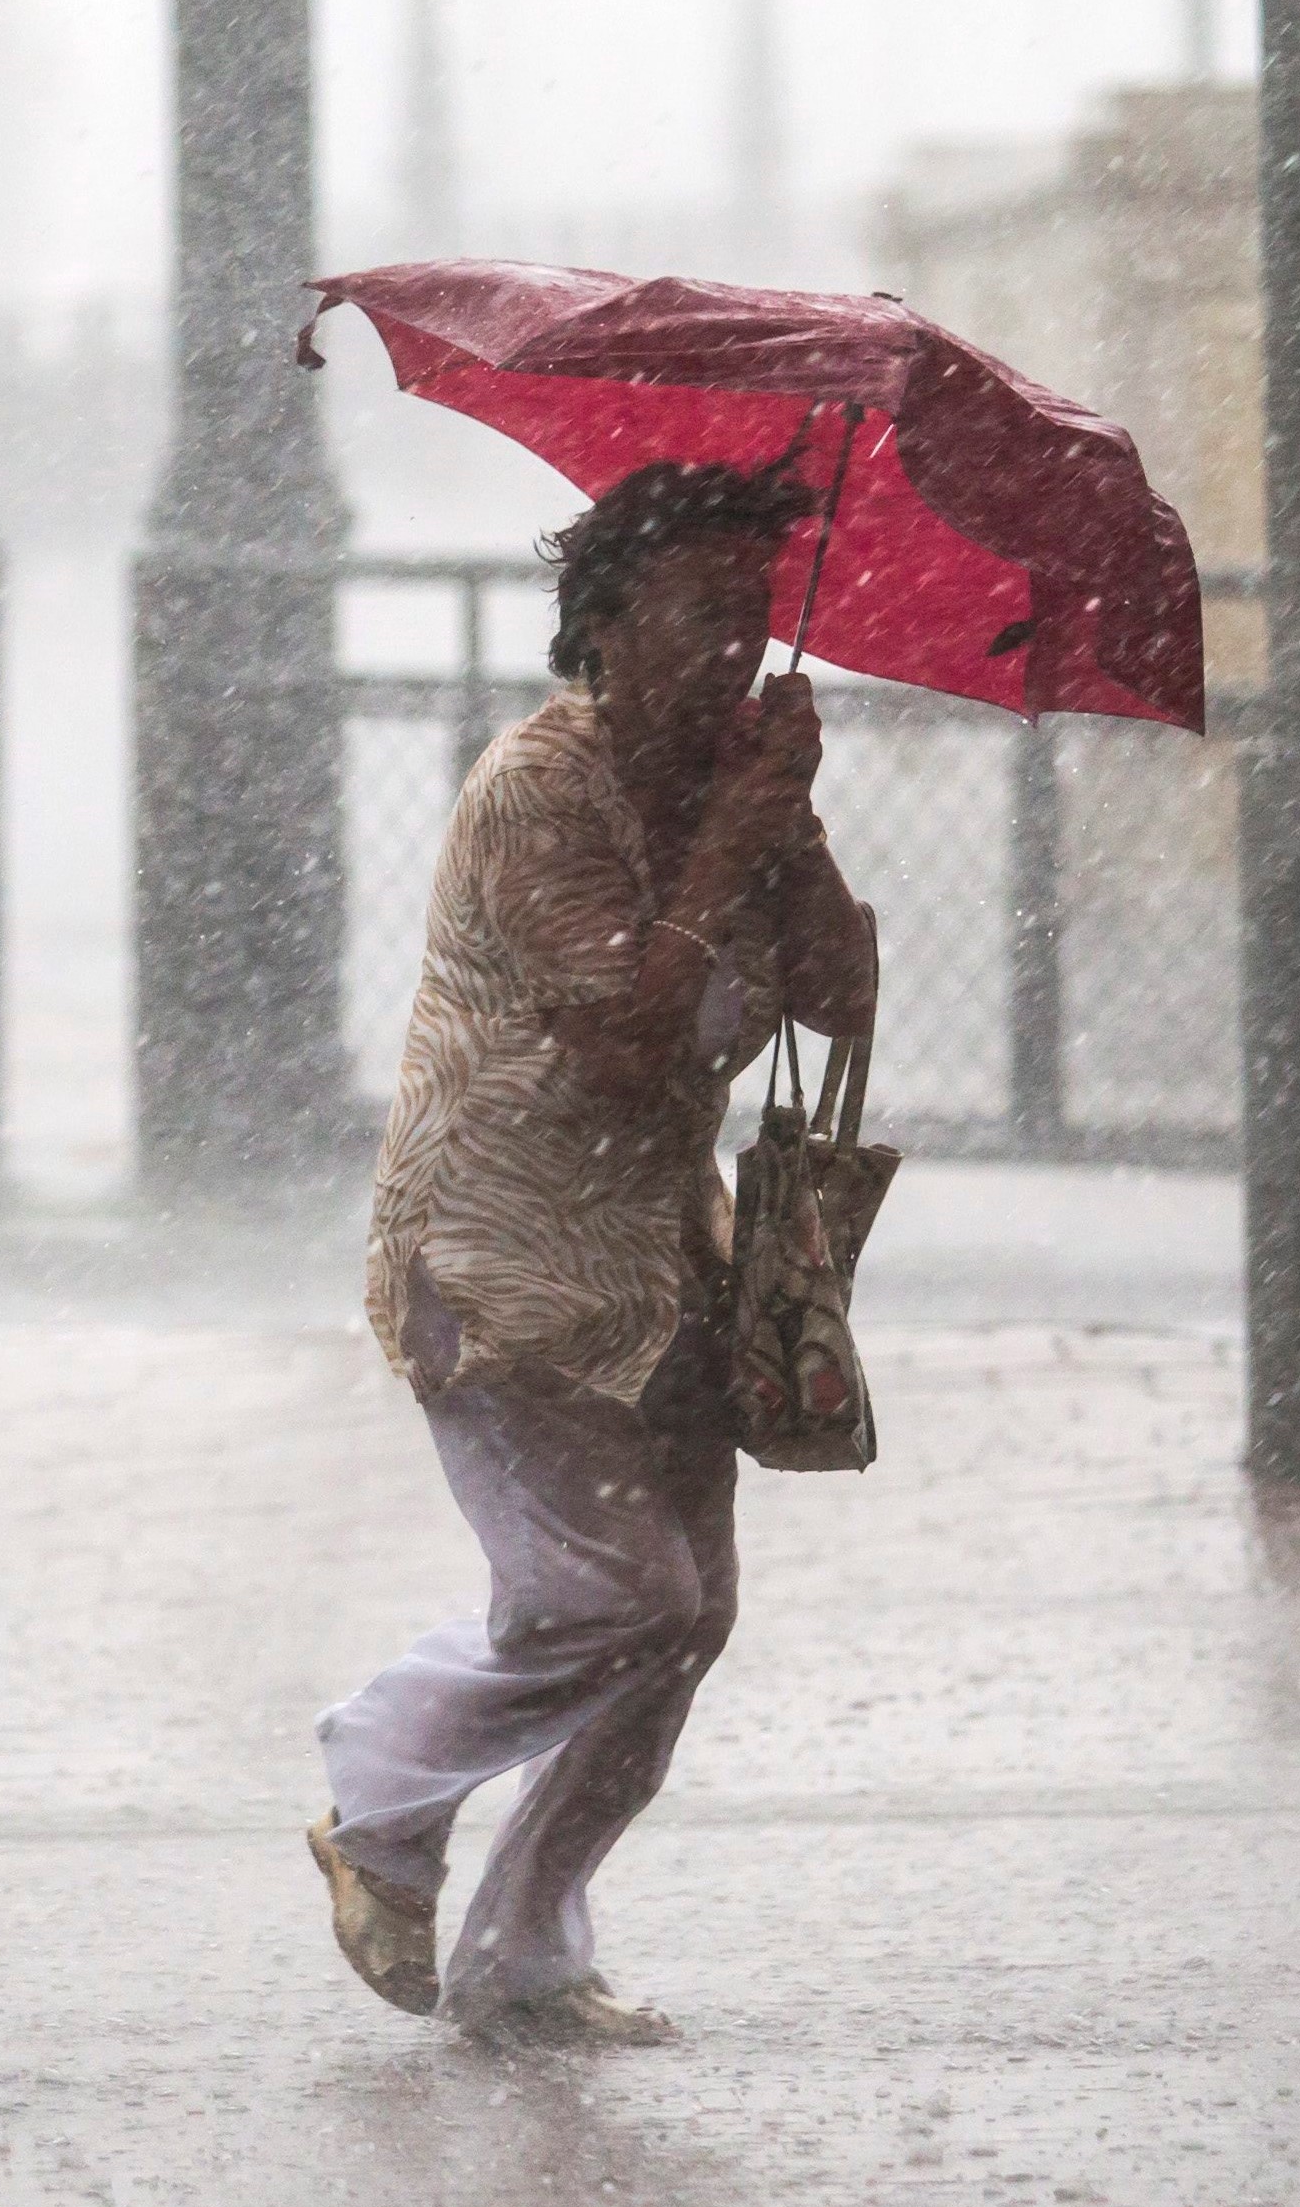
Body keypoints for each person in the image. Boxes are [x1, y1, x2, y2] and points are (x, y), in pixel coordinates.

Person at [304, 460, 882, 2047]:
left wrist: (794, 827)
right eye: (704, 614)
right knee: (610, 1591)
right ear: (608, 627)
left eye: (755, 618)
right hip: (502, 1267)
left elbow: (839, 996)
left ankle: (526, 1952)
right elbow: (628, 1038)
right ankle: (382, 1772)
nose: (736, 650)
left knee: (685, 1623)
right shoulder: (538, 790)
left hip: (668, 1271)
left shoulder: (736, 780)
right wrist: (722, 847)